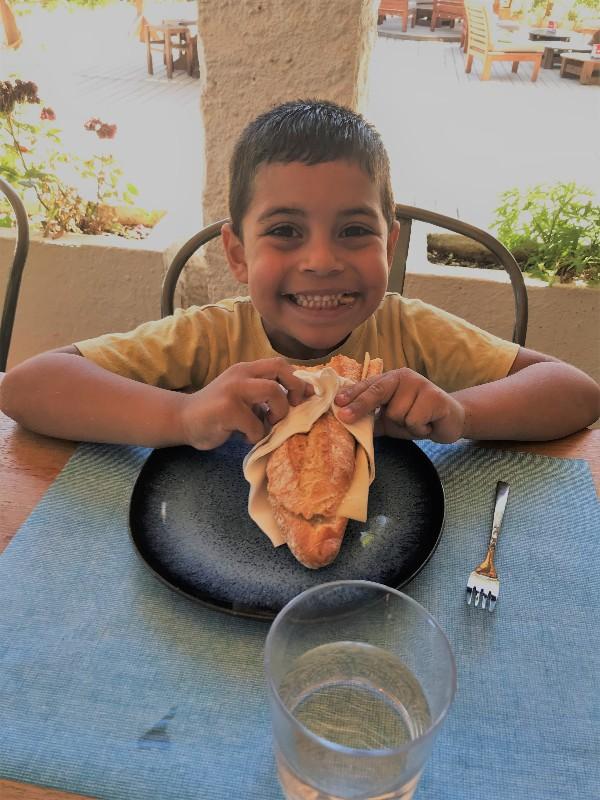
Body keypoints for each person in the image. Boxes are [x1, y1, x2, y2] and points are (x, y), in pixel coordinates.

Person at [1, 100, 598, 448]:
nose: (321, 261)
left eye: (354, 230)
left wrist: (462, 414)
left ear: (390, 245)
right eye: (285, 230)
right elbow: (27, 387)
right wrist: (182, 416)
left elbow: (574, 392)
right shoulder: (210, 337)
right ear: (238, 254)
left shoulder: (409, 331)